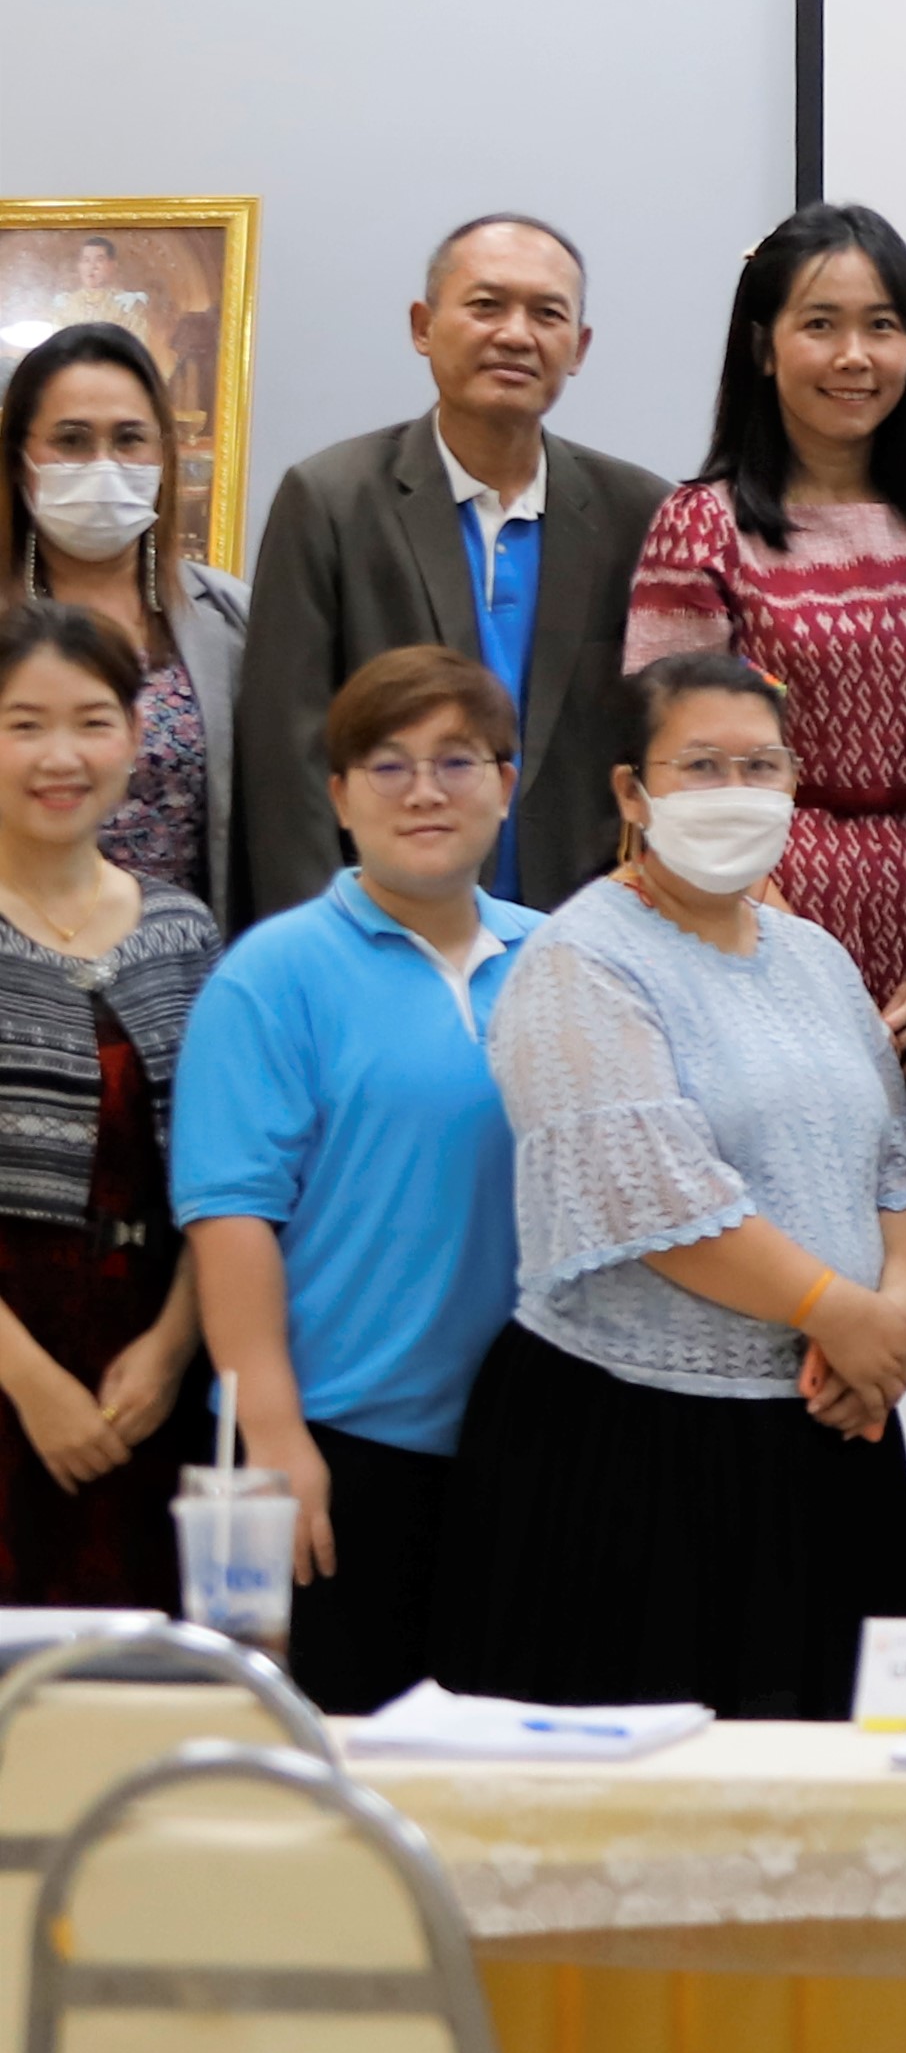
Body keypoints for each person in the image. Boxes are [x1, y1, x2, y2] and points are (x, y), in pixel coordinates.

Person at [434, 652, 906, 1715]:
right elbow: (654, 1197)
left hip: (834, 1426)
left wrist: (894, 1324)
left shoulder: (816, 957)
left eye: (761, 765)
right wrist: (835, 1309)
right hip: (634, 1447)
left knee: (826, 1778)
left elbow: (895, 1160)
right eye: (700, 765)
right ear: (632, 791)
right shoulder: (580, 958)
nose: (735, 790)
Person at [174, 646, 533, 1708]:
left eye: (457, 760)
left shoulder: (562, 961)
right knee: (329, 1758)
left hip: (523, 1446)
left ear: (506, 783)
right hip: (334, 1441)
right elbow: (231, 1218)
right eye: (387, 764)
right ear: (338, 796)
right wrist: (276, 1436)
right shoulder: (272, 974)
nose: (425, 791)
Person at [234, 216, 667, 917]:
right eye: (486, 305)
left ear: (579, 347)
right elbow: (287, 761)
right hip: (382, 925)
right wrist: (320, 946)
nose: (516, 335)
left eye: (547, 313)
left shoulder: (640, 514)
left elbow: (663, 745)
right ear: (423, 326)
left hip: (581, 934)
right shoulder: (331, 501)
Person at [623, 202, 906, 1019]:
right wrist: (787, 948)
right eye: (820, 324)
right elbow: (675, 767)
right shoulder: (702, 525)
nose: (854, 355)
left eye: (882, 325)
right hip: (748, 906)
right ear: (764, 347)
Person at [0, 607, 217, 1607]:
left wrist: (171, 1349)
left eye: (92, 721)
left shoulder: (184, 929)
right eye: (24, 724)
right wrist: (30, 1382)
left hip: (150, 1365)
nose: (62, 755)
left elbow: (227, 1174)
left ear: (134, 737)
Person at [4, 320, 251, 919]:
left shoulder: (230, 620)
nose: (104, 464)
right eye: (71, 440)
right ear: (18, 459)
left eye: (129, 439)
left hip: (187, 956)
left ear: (163, 454)